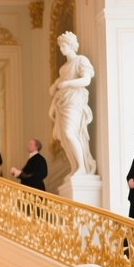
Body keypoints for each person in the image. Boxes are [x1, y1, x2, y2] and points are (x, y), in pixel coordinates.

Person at [49, 31, 97, 176]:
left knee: (70, 133)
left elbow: (86, 80)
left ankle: (83, 167)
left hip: (74, 100)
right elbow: (53, 90)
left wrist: (67, 83)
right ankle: (75, 166)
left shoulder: (80, 60)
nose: (61, 49)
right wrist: (57, 87)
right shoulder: (63, 68)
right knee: (64, 139)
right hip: (62, 102)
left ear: (70, 45)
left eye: (63, 46)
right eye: (60, 46)